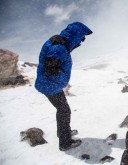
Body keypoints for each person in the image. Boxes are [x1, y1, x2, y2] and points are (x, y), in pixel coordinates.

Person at [35, 22, 92, 151]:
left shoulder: (59, 44)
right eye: (81, 38)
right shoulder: (59, 48)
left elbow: (52, 67)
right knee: (64, 111)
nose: (81, 42)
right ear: (75, 35)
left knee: (63, 109)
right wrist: (62, 81)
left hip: (49, 85)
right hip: (49, 86)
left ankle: (63, 133)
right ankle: (65, 142)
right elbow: (50, 69)